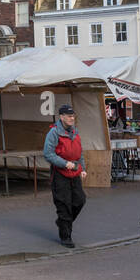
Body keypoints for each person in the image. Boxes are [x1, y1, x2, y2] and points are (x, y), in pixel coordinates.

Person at [43, 104, 87, 248]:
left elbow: (79, 153)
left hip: (74, 171)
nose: (72, 118)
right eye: (69, 116)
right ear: (61, 117)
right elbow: (48, 154)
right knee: (64, 204)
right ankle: (66, 236)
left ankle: (63, 223)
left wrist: (83, 169)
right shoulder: (54, 133)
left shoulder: (75, 132)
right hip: (60, 173)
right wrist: (64, 163)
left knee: (80, 200)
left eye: (73, 116)